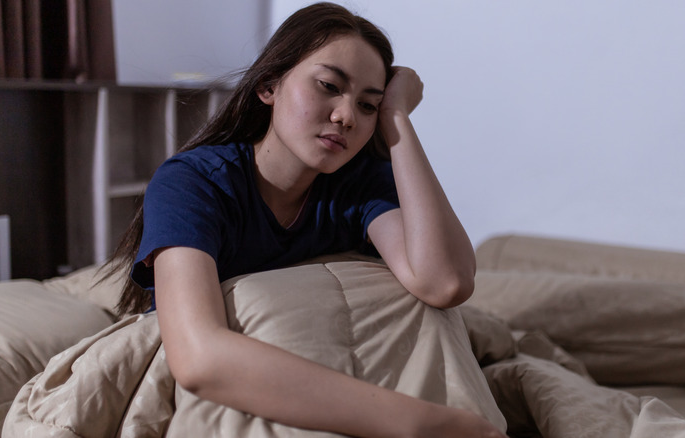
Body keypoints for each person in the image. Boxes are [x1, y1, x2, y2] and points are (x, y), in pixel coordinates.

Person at [106, 3, 506, 437]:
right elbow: (199, 358)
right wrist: (426, 423)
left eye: (368, 105)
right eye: (329, 86)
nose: (347, 116)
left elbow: (445, 282)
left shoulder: (356, 184)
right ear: (268, 85)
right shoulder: (194, 182)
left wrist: (398, 121)